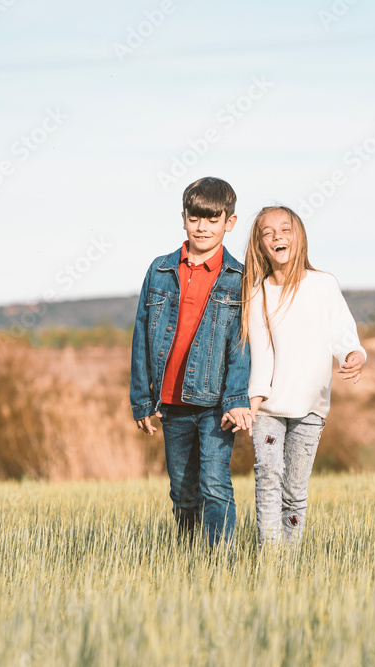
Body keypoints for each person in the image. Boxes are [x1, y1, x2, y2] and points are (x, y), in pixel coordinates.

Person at [129, 176, 254, 548]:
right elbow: (141, 334)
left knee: (215, 486)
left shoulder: (239, 277)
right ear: (183, 218)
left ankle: (220, 565)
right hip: (171, 403)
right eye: (195, 218)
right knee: (183, 494)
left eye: (212, 219)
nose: (202, 227)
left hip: (216, 405)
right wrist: (141, 399)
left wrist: (236, 399)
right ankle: (187, 560)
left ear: (229, 222)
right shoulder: (160, 270)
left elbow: (241, 345)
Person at [240, 205, 367, 547]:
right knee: (267, 476)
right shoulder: (257, 293)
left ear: (299, 238)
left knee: (294, 492)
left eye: (286, 229)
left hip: (311, 409)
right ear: (259, 244)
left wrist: (354, 355)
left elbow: (344, 337)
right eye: (268, 232)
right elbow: (262, 356)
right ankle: (271, 558)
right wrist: (252, 406)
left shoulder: (323, 285)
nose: (278, 236)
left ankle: (289, 563)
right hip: (268, 410)